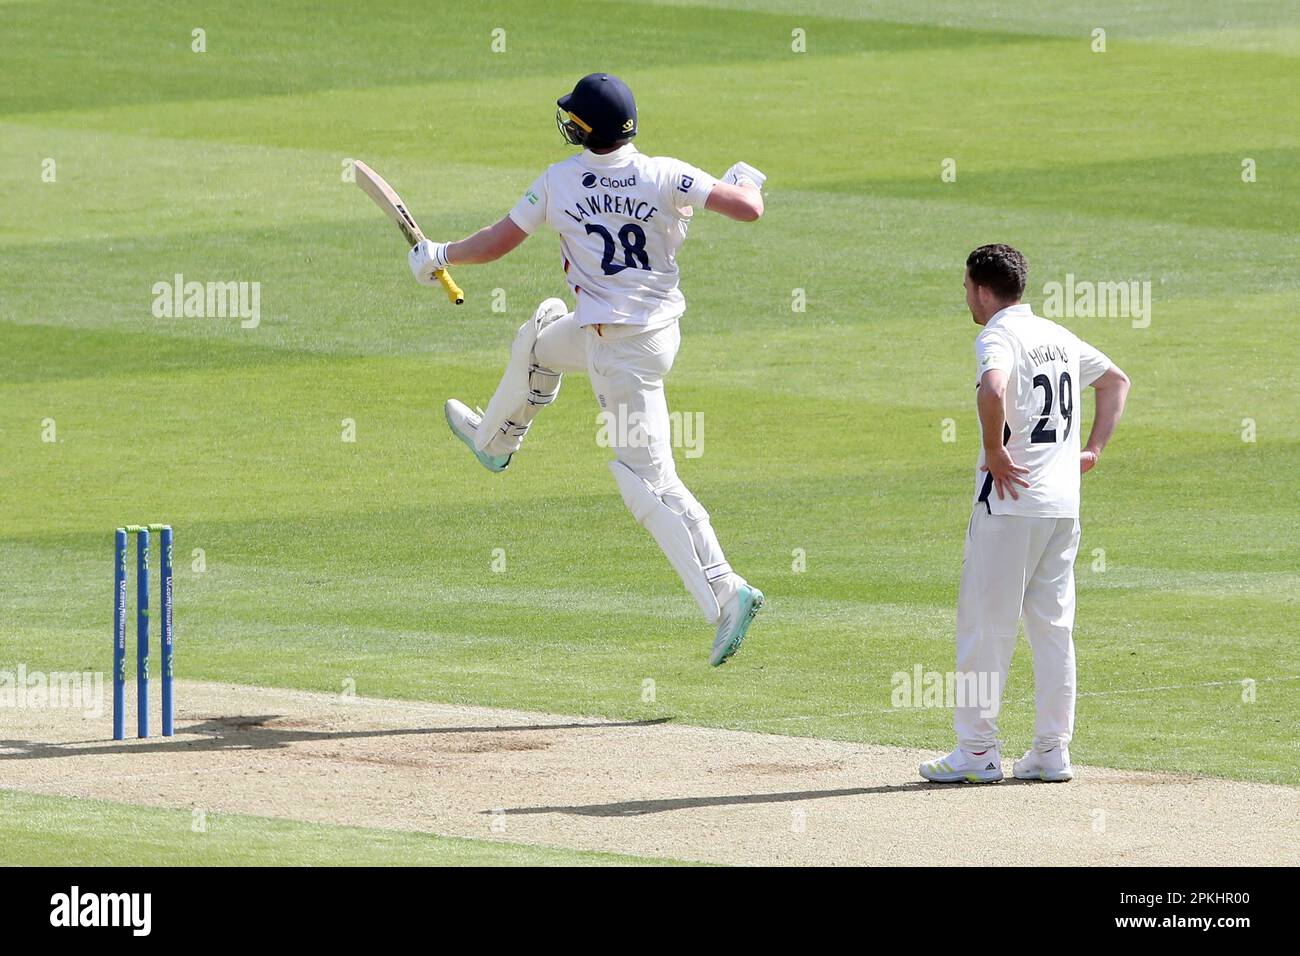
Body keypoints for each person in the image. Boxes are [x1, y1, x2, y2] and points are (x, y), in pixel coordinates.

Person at [407, 73, 767, 666]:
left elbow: (499, 241)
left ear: (583, 128)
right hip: (650, 335)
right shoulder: (664, 172)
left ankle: (727, 592)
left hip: (618, 353)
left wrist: (440, 255)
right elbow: (748, 208)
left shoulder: (559, 181)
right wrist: (742, 178)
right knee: (542, 339)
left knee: (648, 482)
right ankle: (493, 440)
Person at [920, 244, 1131, 783]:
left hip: (1010, 504)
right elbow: (1115, 381)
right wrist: (1094, 450)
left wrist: (994, 448)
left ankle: (976, 751)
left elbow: (993, 387)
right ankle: (1052, 750)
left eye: (966, 286)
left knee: (983, 629)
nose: (965, 295)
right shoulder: (1059, 336)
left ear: (982, 289)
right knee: (1053, 628)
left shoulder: (998, 335)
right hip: (1062, 505)